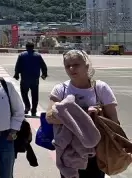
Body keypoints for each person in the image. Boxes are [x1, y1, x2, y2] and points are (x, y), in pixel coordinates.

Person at [47, 49, 119, 178]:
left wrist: (98, 114)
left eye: (76, 64)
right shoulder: (60, 90)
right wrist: (83, 116)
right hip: (68, 154)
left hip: (96, 153)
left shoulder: (100, 88)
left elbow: (114, 121)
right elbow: (50, 117)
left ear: (86, 65)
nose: (71, 68)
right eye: (67, 65)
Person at [13, 41, 48, 116]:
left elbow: (18, 65)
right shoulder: (38, 55)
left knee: (24, 93)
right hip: (35, 79)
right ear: (33, 47)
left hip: (25, 78)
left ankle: (27, 106)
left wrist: (16, 74)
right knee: (35, 95)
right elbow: (43, 66)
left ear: (26, 47)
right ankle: (34, 110)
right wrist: (44, 74)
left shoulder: (22, 55)